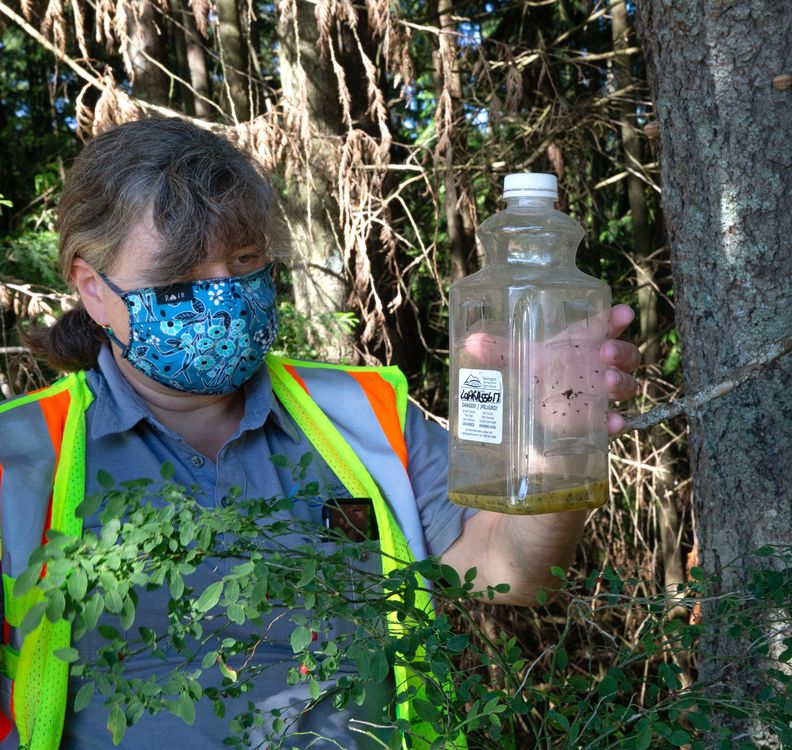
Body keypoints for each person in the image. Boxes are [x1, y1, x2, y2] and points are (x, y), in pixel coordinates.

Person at [0, 117, 640, 749]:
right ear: (92, 287)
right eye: (184, 276)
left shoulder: (361, 414)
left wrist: (557, 445)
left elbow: (512, 570)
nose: (224, 293)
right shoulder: (19, 457)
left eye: (245, 260)